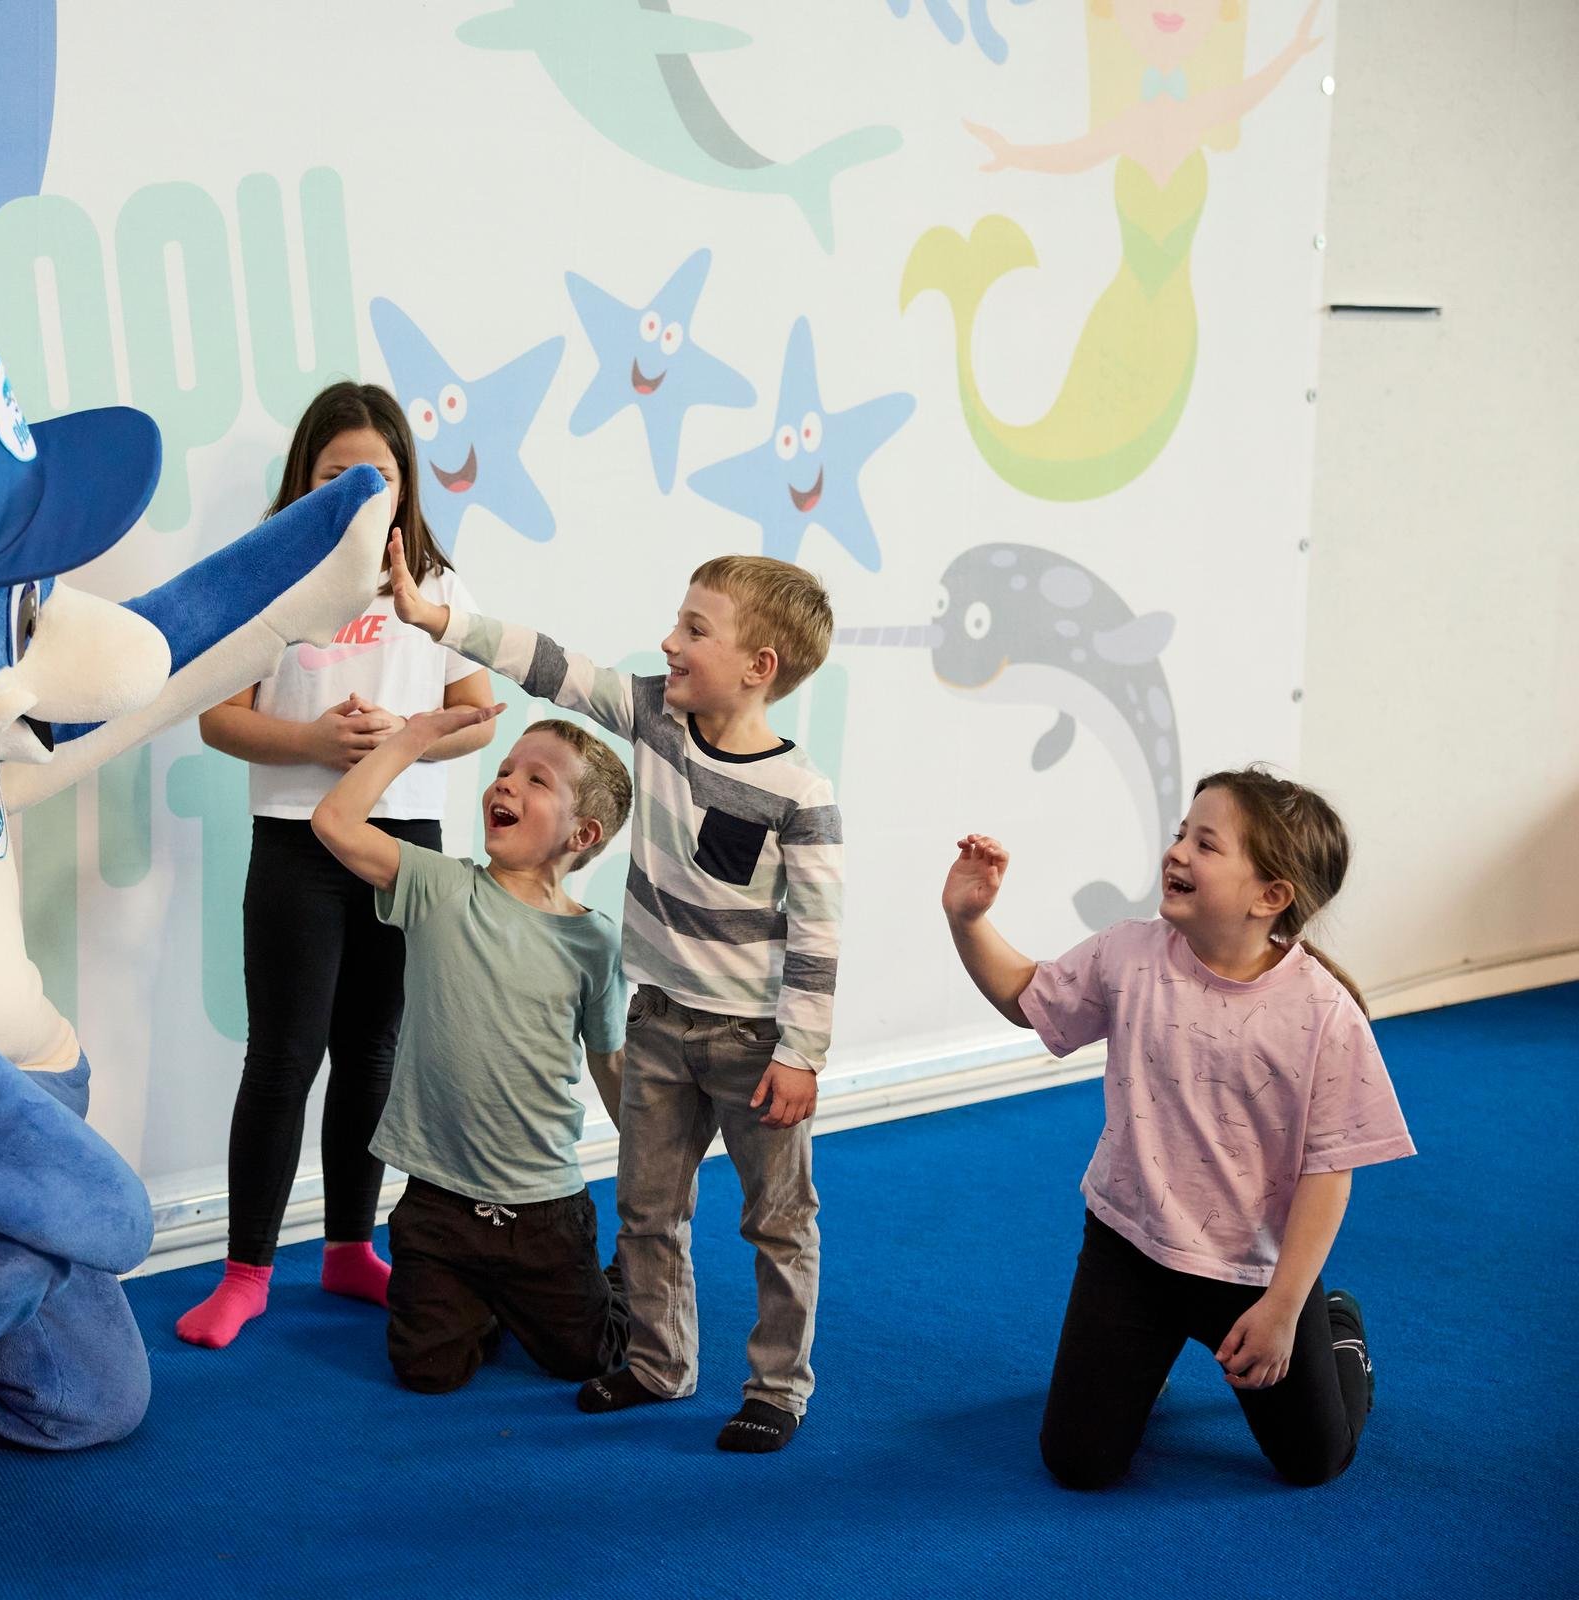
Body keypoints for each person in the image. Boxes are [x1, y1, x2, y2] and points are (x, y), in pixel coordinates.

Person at [390, 539, 841, 1452]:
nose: (668, 641)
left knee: (778, 1221)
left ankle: (778, 1387)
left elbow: (819, 937)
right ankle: (659, 1362)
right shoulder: (652, 720)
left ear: (759, 668)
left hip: (754, 1043)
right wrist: (439, 620)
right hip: (660, 1026)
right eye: (678, 620)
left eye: (693, 629)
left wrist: (801, 1053)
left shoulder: (801, 794)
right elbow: (553, 664)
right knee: (647, 1209)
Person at [942, 766, 1415, 1488]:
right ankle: (1146, 1356)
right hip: (1130, 1248)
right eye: (1180, 835)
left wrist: (1287, 1306)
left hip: (1253, 1273)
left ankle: (1338, 1326)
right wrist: (968, 920)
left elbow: (1330, 1171)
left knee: (1314, 1462)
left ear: (1271, 895)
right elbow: (1026, 994)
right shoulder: (1130, 954)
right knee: (1079, 1465)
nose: (1178, 853)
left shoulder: (1322, 1014)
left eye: (1207, 844)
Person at [177, 383, 495, 1350]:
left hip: (405, 850)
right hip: (298, 844)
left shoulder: (438, 585)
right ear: (305, 483)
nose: (362, 491)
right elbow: (216, 717)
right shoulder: (267, 583)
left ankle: (352, 1248)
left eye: (382, 475)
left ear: (407, 483)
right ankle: (246, 1272)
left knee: (374, 1053)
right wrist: (316, 740)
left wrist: (398, 740)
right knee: (283, 1057)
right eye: (337, 476)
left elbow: (480, 715)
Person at [311, 704, 632, 1394]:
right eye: (505, 770)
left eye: (537, 780)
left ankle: (625, 1271)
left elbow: (609, 1058)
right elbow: (334, 822)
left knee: (588, 1358)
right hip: (437, 1206)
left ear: (584, 833)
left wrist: (651, 1162)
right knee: (427, 1371)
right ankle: (483, 1303)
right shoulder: (439, 887)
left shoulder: (594, 942)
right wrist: (416, 738)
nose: (506, 785)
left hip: (543, 1209)